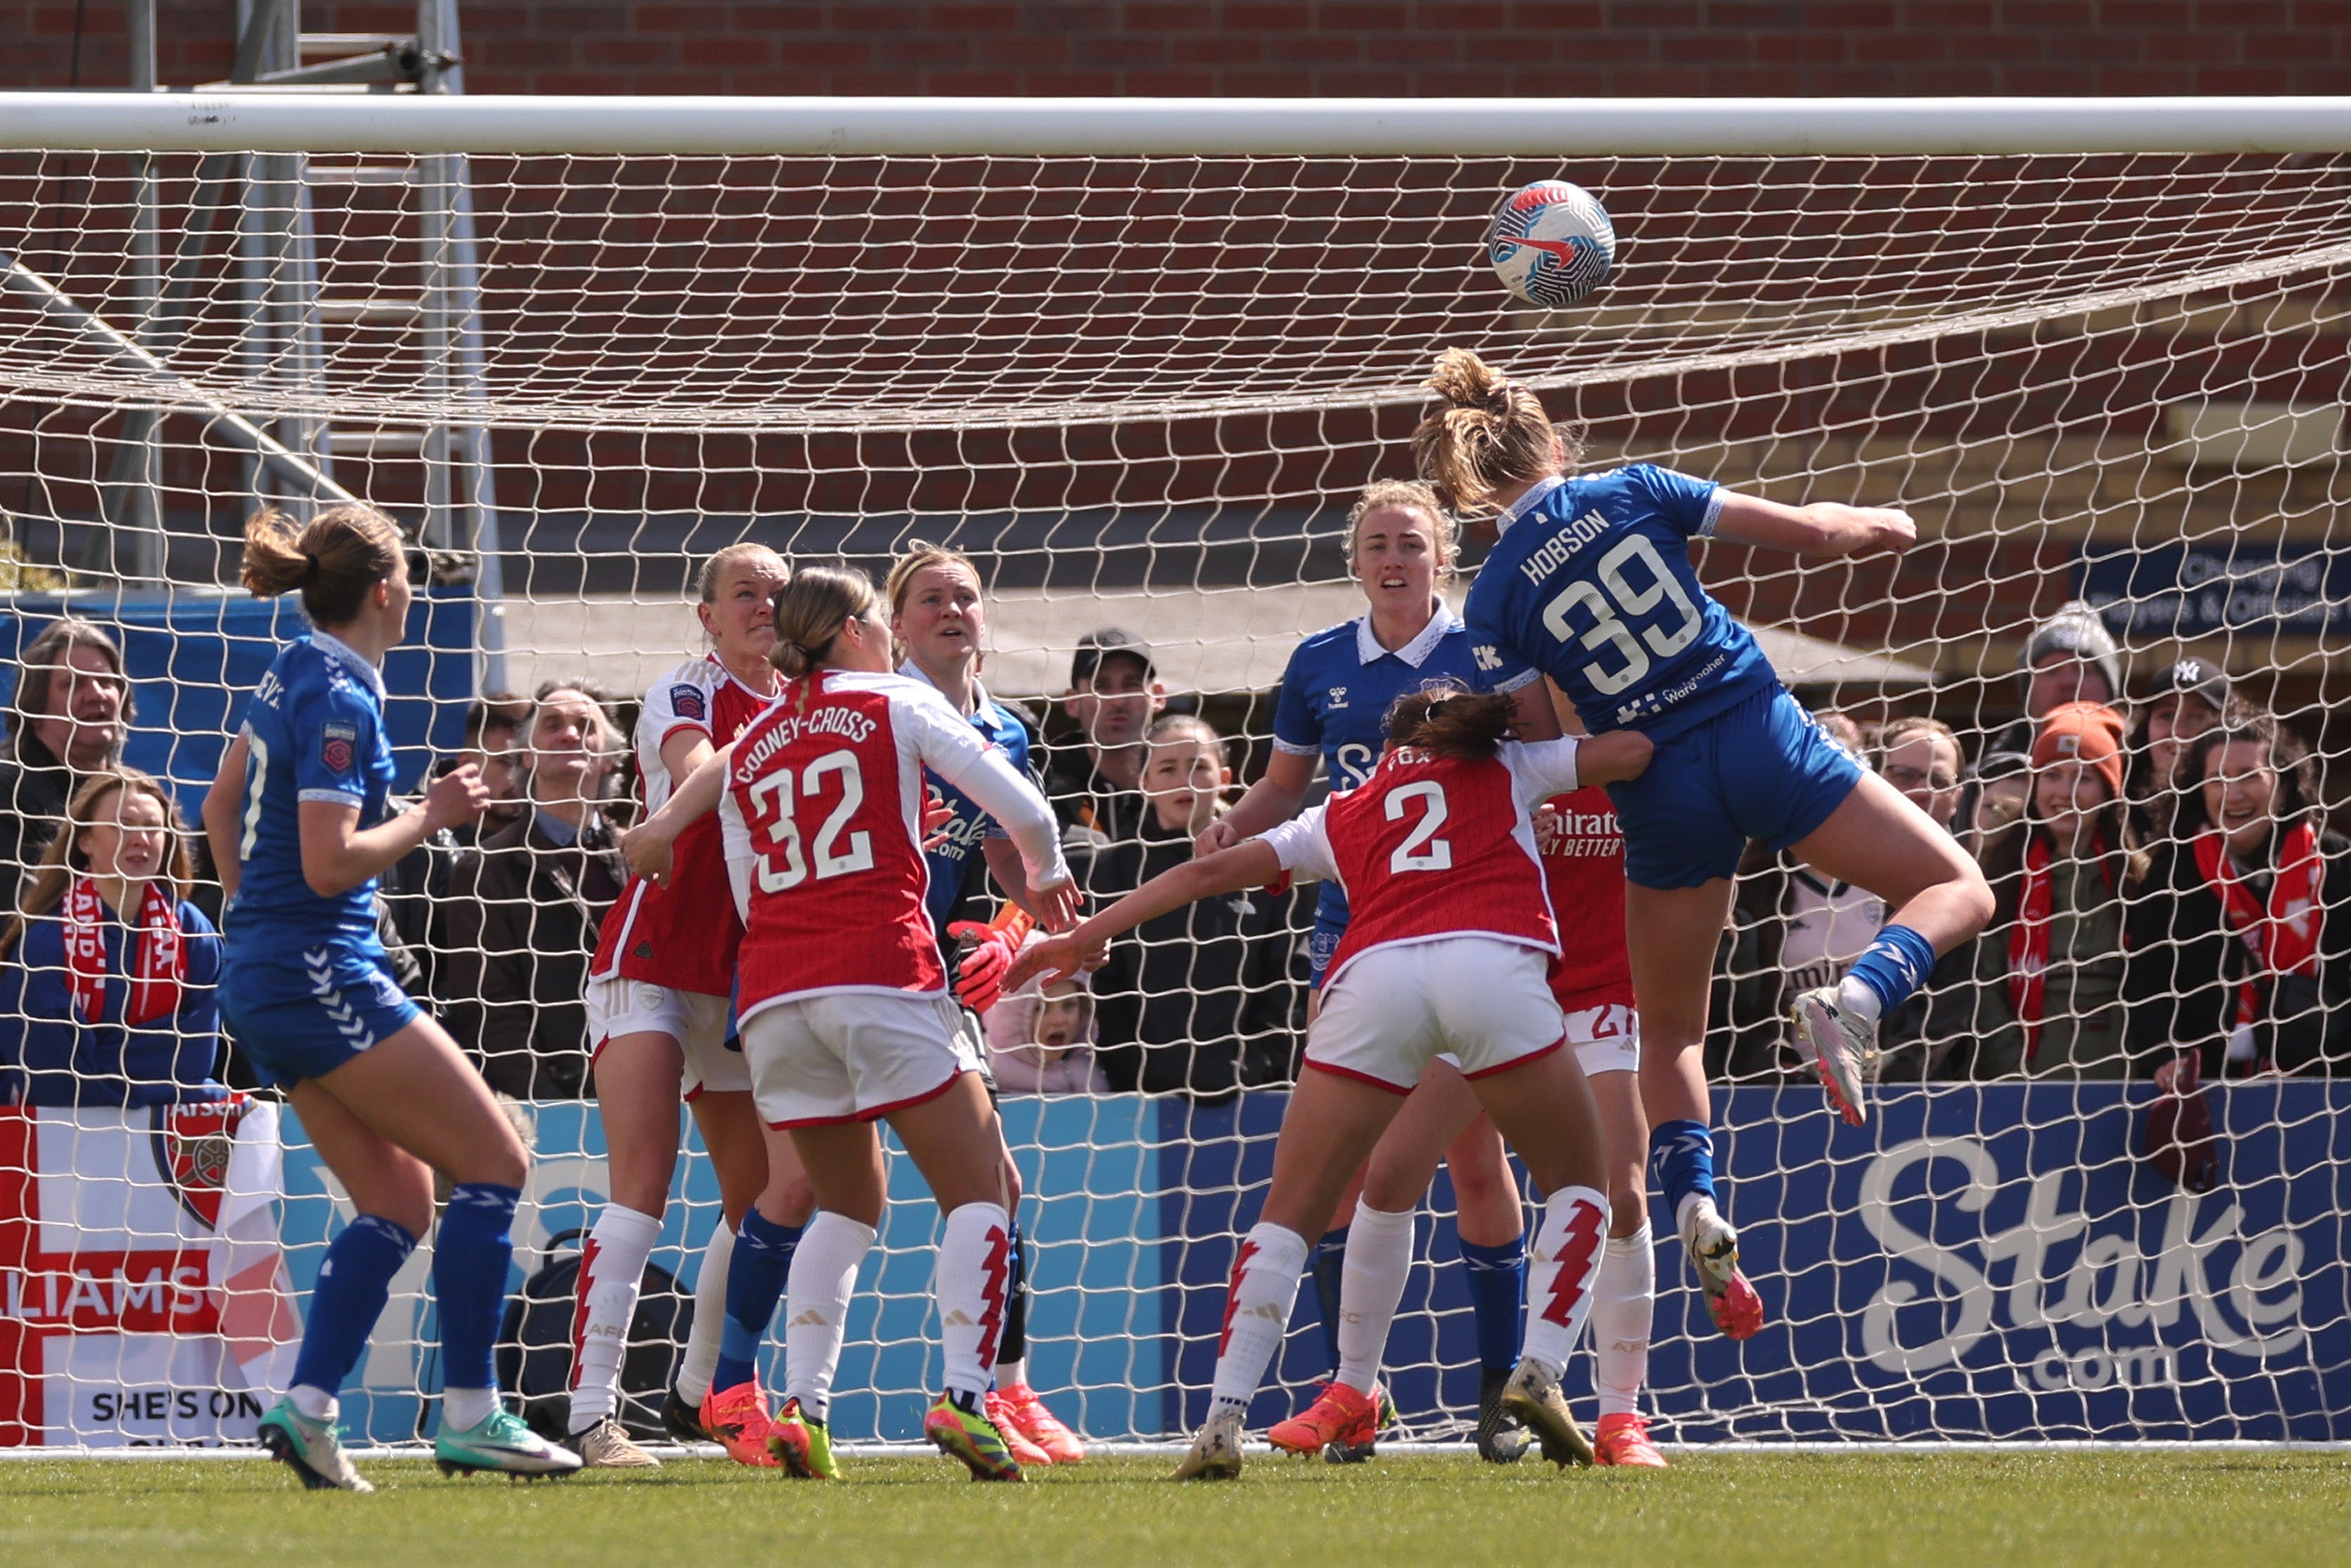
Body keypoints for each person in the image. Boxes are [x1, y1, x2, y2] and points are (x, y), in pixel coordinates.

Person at [1417, 347, 1992, 1343]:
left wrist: (1592, 743)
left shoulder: (1499, 597)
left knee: (1673, 1034)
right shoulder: (1635, 486)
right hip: (1758, 732)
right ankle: (1858, 998)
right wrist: (1886, 523)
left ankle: (1697, 1205)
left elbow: (1553, 741)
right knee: (1958, 885)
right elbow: (1815, 531)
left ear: (1471, 492)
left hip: (1659, 786)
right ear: (1556, 439)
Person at [1010, 684, 1653, 1479]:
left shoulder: (1345, 807)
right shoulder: (1511, 765)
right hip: (1493, 961)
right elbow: (1630, 753)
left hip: (1374, 979)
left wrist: (1083, 936)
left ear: (1391, 740)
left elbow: (1204, 874)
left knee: (1294, 1209)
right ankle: (1540, 1371)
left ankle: (1223, 1417)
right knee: (1581, 1185)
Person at [624, 563, 1080, 1483]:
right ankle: (966, 1398)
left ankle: (803, 1412)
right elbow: (1018, 804)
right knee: (983, 1187)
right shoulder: (890, 703)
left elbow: (751, 890)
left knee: (844, 1202)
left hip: (778, 996)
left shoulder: (750, 738)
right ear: (856, 631)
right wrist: (1049, 871)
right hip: (883, 972)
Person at [199, 502, 576, 1489]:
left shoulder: (291, 667)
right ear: (382, 589)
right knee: (496, 1156)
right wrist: (432, 813)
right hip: (320, 966)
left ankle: (310, 1409)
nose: (414, 589)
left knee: (400, 1197)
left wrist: (253, 924)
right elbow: (329, 866)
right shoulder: (340, 695)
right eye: (409, 573)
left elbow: (219, 803)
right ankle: (472, 1414)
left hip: (268, 974)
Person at [1194, 477, 1541, 1444]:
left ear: (1443, 557)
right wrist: (1229, 831)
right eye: (1379, 543)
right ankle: (1356, 1393)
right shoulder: (1317, 664)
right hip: (1350, 936)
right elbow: (1284, 788)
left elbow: (1544, 767)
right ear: (1355, 560)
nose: (1394, 558)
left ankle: (1497, 1396)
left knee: (1474, 1160)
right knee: (1342, 1172)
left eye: (1413, 542)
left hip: (1469, 926)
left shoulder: (1488, 656)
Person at [1267, 695, 1671, 1470]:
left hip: (1596, 994)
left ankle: (1621, 1418)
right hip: (1498, 981)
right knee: (1387, 1175)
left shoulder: (1631, 756)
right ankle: (1354, 1392)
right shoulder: (1503, 756)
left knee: (1619, 1194)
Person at [839, 541, 1084, 1467]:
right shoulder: (874, 714)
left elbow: (1018, 873)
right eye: (930, 599)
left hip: (934, 981)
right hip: (858, 971)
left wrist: (1006, 941)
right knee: (810, 1195)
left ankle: (1004, 1391)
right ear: (894, 627)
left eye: (966, 597)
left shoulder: (1009, 732)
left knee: (1000, 1188)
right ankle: (738, 1390)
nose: (952, 610)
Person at [567, 542, 802, 1471]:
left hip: (748, 975)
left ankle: (700, 1390)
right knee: (645, 1185)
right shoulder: (688, 690)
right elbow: (703, 770)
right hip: (654, 959)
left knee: (767, 1201)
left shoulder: (812, 705)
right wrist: (806, 723)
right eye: (744, 593)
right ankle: (591, 1416)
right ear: (707, 617)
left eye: (781, 594)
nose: (765, 607)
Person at [2125, 709, 2350, 1077]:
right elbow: (2146, 987)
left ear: (2282, 788)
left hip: (2322, 1091)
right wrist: (2163, 1059)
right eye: (2218, 779)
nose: (2233, 793)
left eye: (2249, 775)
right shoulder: (2173, 877)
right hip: (2206, 1092)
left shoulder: (2336, 864)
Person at [1090, 715, 1300, 1099]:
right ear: (1145, 783)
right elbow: (1107, 989)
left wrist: (1255, 1066)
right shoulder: (1112, 869)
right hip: (1140, 1098)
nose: (1183, 780)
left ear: (1225, 777)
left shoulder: (1264, 862)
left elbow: (1286, 981)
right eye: (1167, 769)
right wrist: (1133, 1073)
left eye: (1198, 767)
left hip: (1254, 1095)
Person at [436, 681, 628, 1099]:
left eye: (585, 725)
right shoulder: (483, 870)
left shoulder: (643, 859)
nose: (570, 734)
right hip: (555, 1110)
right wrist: (554, 1102)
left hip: (651, 1094)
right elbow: (489, 1012)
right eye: (553, 724)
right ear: (526, 754)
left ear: (611, 758)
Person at [0, 768, 225, 1107]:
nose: (140, 839)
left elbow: (193, 1060)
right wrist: (152, 1075)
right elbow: (51, 1079)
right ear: (85, 841)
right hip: (58, 1131)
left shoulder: (195, 932)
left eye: (152, 827)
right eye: (123, 825)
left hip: (162, 1127)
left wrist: (101, 1058)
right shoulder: (46, 940)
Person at [1978, 702, 2147, 1077]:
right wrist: (2015, 1069)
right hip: (2028, 1091)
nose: (2065, 792)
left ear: (2108, 791)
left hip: (2124, 1085)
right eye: (2052, 775)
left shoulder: (2139, 882)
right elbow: (1984, 989)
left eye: (2083, 778)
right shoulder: (2001, 877)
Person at [1868, 717, 2023, 1081]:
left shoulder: (1967, 893)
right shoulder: (1807, 875)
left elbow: (1946, 1016)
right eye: (1904, 775)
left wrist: (1886, 1074)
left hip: (1917, 1101)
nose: (1921, 790)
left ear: (1956, 799)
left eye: (1938, 781)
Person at [0, 617, 130, 900]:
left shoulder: (136, 796)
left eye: (106, 681)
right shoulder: (7, 792)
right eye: (73, 683)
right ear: (35, 710)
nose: (96, 694)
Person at [1975, 600, 2124, 841]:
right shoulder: (1984, 781)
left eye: (2083, 670)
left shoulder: (2148, 776)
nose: (2067, 683)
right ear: (2028, 689)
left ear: (2110, 689)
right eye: (2052, 670)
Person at [1046, 628, 1163, 869]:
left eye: (1132, 685)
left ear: (1158, 696)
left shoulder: (1186, 786)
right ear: (1072, 702)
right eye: (1101, 687)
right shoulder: (1044, 790)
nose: (1118, 701)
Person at [2128, 656, 2233, 842]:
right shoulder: (2118, 811)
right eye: (2167, 715)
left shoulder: (2240, 808)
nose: (2178, 732)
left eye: (2198, 717)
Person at [984, 940, 1108, 1094]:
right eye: (1041, 1008)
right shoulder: (986, 1069)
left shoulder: (1088, 1075)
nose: (1059, 1020)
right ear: (1011, 1014)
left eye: (1069, 1005)